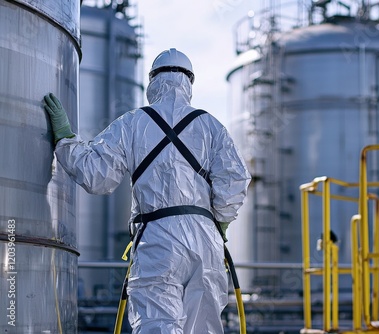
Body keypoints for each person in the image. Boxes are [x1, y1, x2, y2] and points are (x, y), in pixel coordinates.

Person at [43, 48, 251, 333]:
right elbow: (236, 179)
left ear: (152, 80)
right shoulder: (211, 126)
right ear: (190, 82)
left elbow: (96, 175)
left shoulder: (133, 123)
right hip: (207, 239)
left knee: (157, 323)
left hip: (159, 237)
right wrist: (222, 221)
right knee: (205, 326)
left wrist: (66, 138)